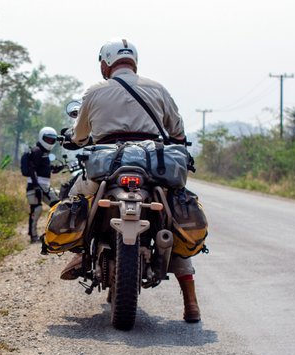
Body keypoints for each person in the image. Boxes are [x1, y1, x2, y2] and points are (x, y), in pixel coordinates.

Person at [62, 38, 201, 323]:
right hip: (152, 167)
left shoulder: (95, 92)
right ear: (133, 62)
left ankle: (79, 252)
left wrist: (79, 138)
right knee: (175, 218)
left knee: (76, 199)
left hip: (105, 167)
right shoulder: (157, 88)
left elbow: (78, 136)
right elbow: (177, 130)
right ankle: (191, 302)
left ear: (105, 63)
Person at [25, 127, 61, 243]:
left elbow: (42, 169)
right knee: (37, 209)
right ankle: (33, 236)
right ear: (42, 137)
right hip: (35, 185)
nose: (50, 142)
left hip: (43, 185)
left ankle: (53, 233)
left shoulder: (44, 153)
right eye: (48, 139)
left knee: (57, 205)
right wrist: (36, 187)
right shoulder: (37, 151)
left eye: (52, 140)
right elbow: (31, 169)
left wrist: (54, 168)